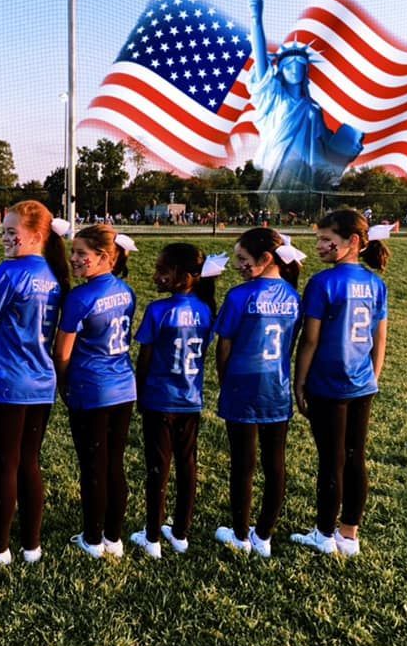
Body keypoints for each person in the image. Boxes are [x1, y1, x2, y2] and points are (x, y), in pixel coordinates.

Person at [0, 200, 71, 565]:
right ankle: (32, 545)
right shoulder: (55, 273)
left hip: (6, 380)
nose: (5, 238)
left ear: (37, 235)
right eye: (3, 230)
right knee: (29, 462)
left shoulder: (10, 271)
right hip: (40, 381)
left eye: (12, 232)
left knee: (4, 464)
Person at [291, 209, 390, 556]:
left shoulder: (323, 283)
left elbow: (310, 341)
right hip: (362, 384)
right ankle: (349, 535)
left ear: (352, 242)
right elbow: (381, 340)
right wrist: (372, 378)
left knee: (331, 460)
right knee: (354, 457)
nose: (319, 245)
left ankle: (323, 533)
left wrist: (299, 381)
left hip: (328, 385)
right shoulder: (376, 284)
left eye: (326, 239)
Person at [213, 228, 304, 557]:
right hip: (275, 389)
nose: (238, 265)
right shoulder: (294, 298)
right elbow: (290, 347)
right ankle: (263, 535)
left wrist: (225, 381)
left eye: (243, 259)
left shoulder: (240, 296)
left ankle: (241, 534)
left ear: (266, 259)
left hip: (242, 385)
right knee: (275, 463)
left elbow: (224, 347)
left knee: (243, 464)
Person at [130, 244, 225, 558]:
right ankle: (181, 533)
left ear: (185, 277)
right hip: (190, 400)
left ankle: (153, 537)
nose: (157, 276)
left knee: (158, 468)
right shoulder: (206, 310)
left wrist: (140, 393)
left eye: (163, 271)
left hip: (160, 399)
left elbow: (145, 359)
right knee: (187, 466)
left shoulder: (160, 311)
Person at [53, 225, 137, 559]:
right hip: (123, 389)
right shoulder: (126, 291)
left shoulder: (80, 297)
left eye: (80, 254)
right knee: (114, 464)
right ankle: (114, 539)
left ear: (104, 257)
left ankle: (92, 539)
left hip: (91, 389)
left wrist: (63, 383)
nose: (73, 259)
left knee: (93, 466)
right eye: (72, 252)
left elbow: (62, 352)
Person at [247, 0, 363, 205]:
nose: (295, 70)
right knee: (274, 206)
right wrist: (255, 7)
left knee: (305, 206)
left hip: (308, 172)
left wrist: (347, 144)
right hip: (278, 166)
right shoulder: (273, 97)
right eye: (289, 66)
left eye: (300, 65)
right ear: (280, 69)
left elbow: (324, 147)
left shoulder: (313, 108)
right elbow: (259, 53)